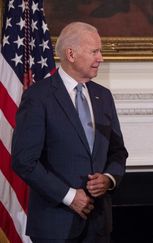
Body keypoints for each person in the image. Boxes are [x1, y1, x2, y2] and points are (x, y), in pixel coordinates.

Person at [12, 22, 128, 243]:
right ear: (71, 54)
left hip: (98, 225)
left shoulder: (103, 96)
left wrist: (109, 178)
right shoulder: (39, 97)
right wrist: (69, 196)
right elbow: (23, 161)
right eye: (94, 51)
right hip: (55, 226)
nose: (101, 58)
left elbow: (118, 152)